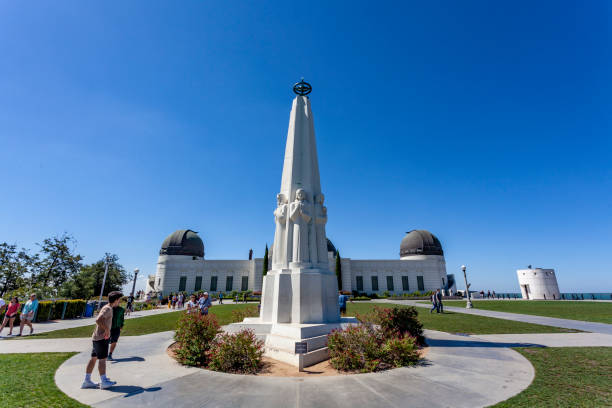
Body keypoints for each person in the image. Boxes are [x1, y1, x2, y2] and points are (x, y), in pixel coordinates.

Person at [82, 291, 122, 390]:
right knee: (102, 359)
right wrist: (107, 329)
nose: (119, 302)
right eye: (119, 300)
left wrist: (106, 328)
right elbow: (98, 320)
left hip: (97, 338)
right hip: (101, 338)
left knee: (94, 358)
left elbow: (101, 320)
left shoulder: (107, 308)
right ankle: (104, 381)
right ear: (116, 300)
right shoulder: (108, 308)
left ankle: (87, 381)